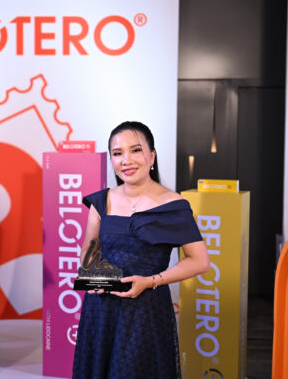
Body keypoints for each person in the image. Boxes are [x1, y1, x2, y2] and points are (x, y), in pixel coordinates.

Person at [72, 121, 210, 379]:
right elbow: (89, 255)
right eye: (117, 153)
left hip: (146, 310)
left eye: (135, 150)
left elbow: (199, 261)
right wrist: (95, 278)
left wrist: (150, 281)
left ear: (152, 156)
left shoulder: (174, 205)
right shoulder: (101, 201)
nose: (126, 160)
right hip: (101, 311)